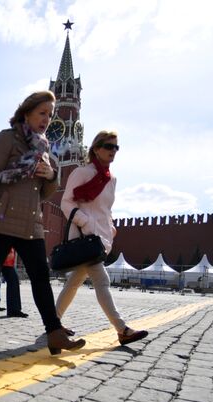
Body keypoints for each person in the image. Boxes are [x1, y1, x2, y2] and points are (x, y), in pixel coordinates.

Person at [0, 90, 85, 354]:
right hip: (2, 221)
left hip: (32, 224)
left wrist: (51, 176)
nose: (47, 119)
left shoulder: (45, 148)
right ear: (27, 112)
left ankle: (54, 332)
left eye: (50, 114)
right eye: (42, 113)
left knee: (40, 278)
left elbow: (45, 195)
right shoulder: (7, 139)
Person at [55, 130, 148, 346]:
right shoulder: (81, 173)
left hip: (101, 238)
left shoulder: (112, 179)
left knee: (74, 282)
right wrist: (85, 222)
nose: (113, 151)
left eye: (116, 147)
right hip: (84, 237)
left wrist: (111, 227)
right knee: (102, 280)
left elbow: (106, 209)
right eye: (108, 146)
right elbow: (66, 203)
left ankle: (53, 322)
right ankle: (122, 329)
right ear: (96, 149)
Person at [3, 248, 28, 318]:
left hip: (8, 262)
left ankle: (14, 310)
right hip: (4, 260)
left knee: (14, 282)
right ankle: (13, 310)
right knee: (13, 283)